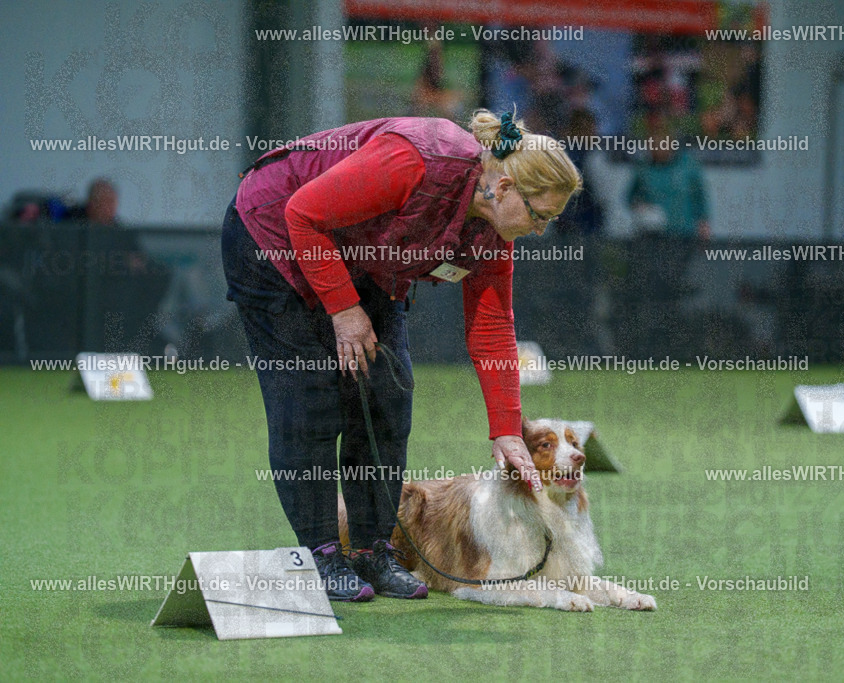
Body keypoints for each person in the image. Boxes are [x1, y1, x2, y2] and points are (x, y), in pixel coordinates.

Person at [221, 110, 581, 602]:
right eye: (540, 215)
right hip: (273, 238)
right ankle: (322, 556)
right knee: (310, 403)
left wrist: (506, 429)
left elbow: (493, 326)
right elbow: (303, 214)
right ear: (505, 188)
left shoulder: (495, 229)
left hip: (364, 256)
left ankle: (373, 551)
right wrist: (344, 311)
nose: (541, 231)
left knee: (386, 398)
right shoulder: (417, 159)